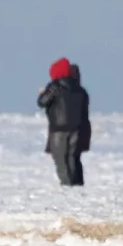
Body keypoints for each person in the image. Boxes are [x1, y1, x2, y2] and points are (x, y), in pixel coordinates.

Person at [38, 58, 90, 186]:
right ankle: (76, 185)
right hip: (76, 129)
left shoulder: (55, 86)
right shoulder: (80, 90)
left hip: (58, 129)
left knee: (60, 159)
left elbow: (42, 102)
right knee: (72, 158)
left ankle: (67, 186)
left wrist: (43, 92)